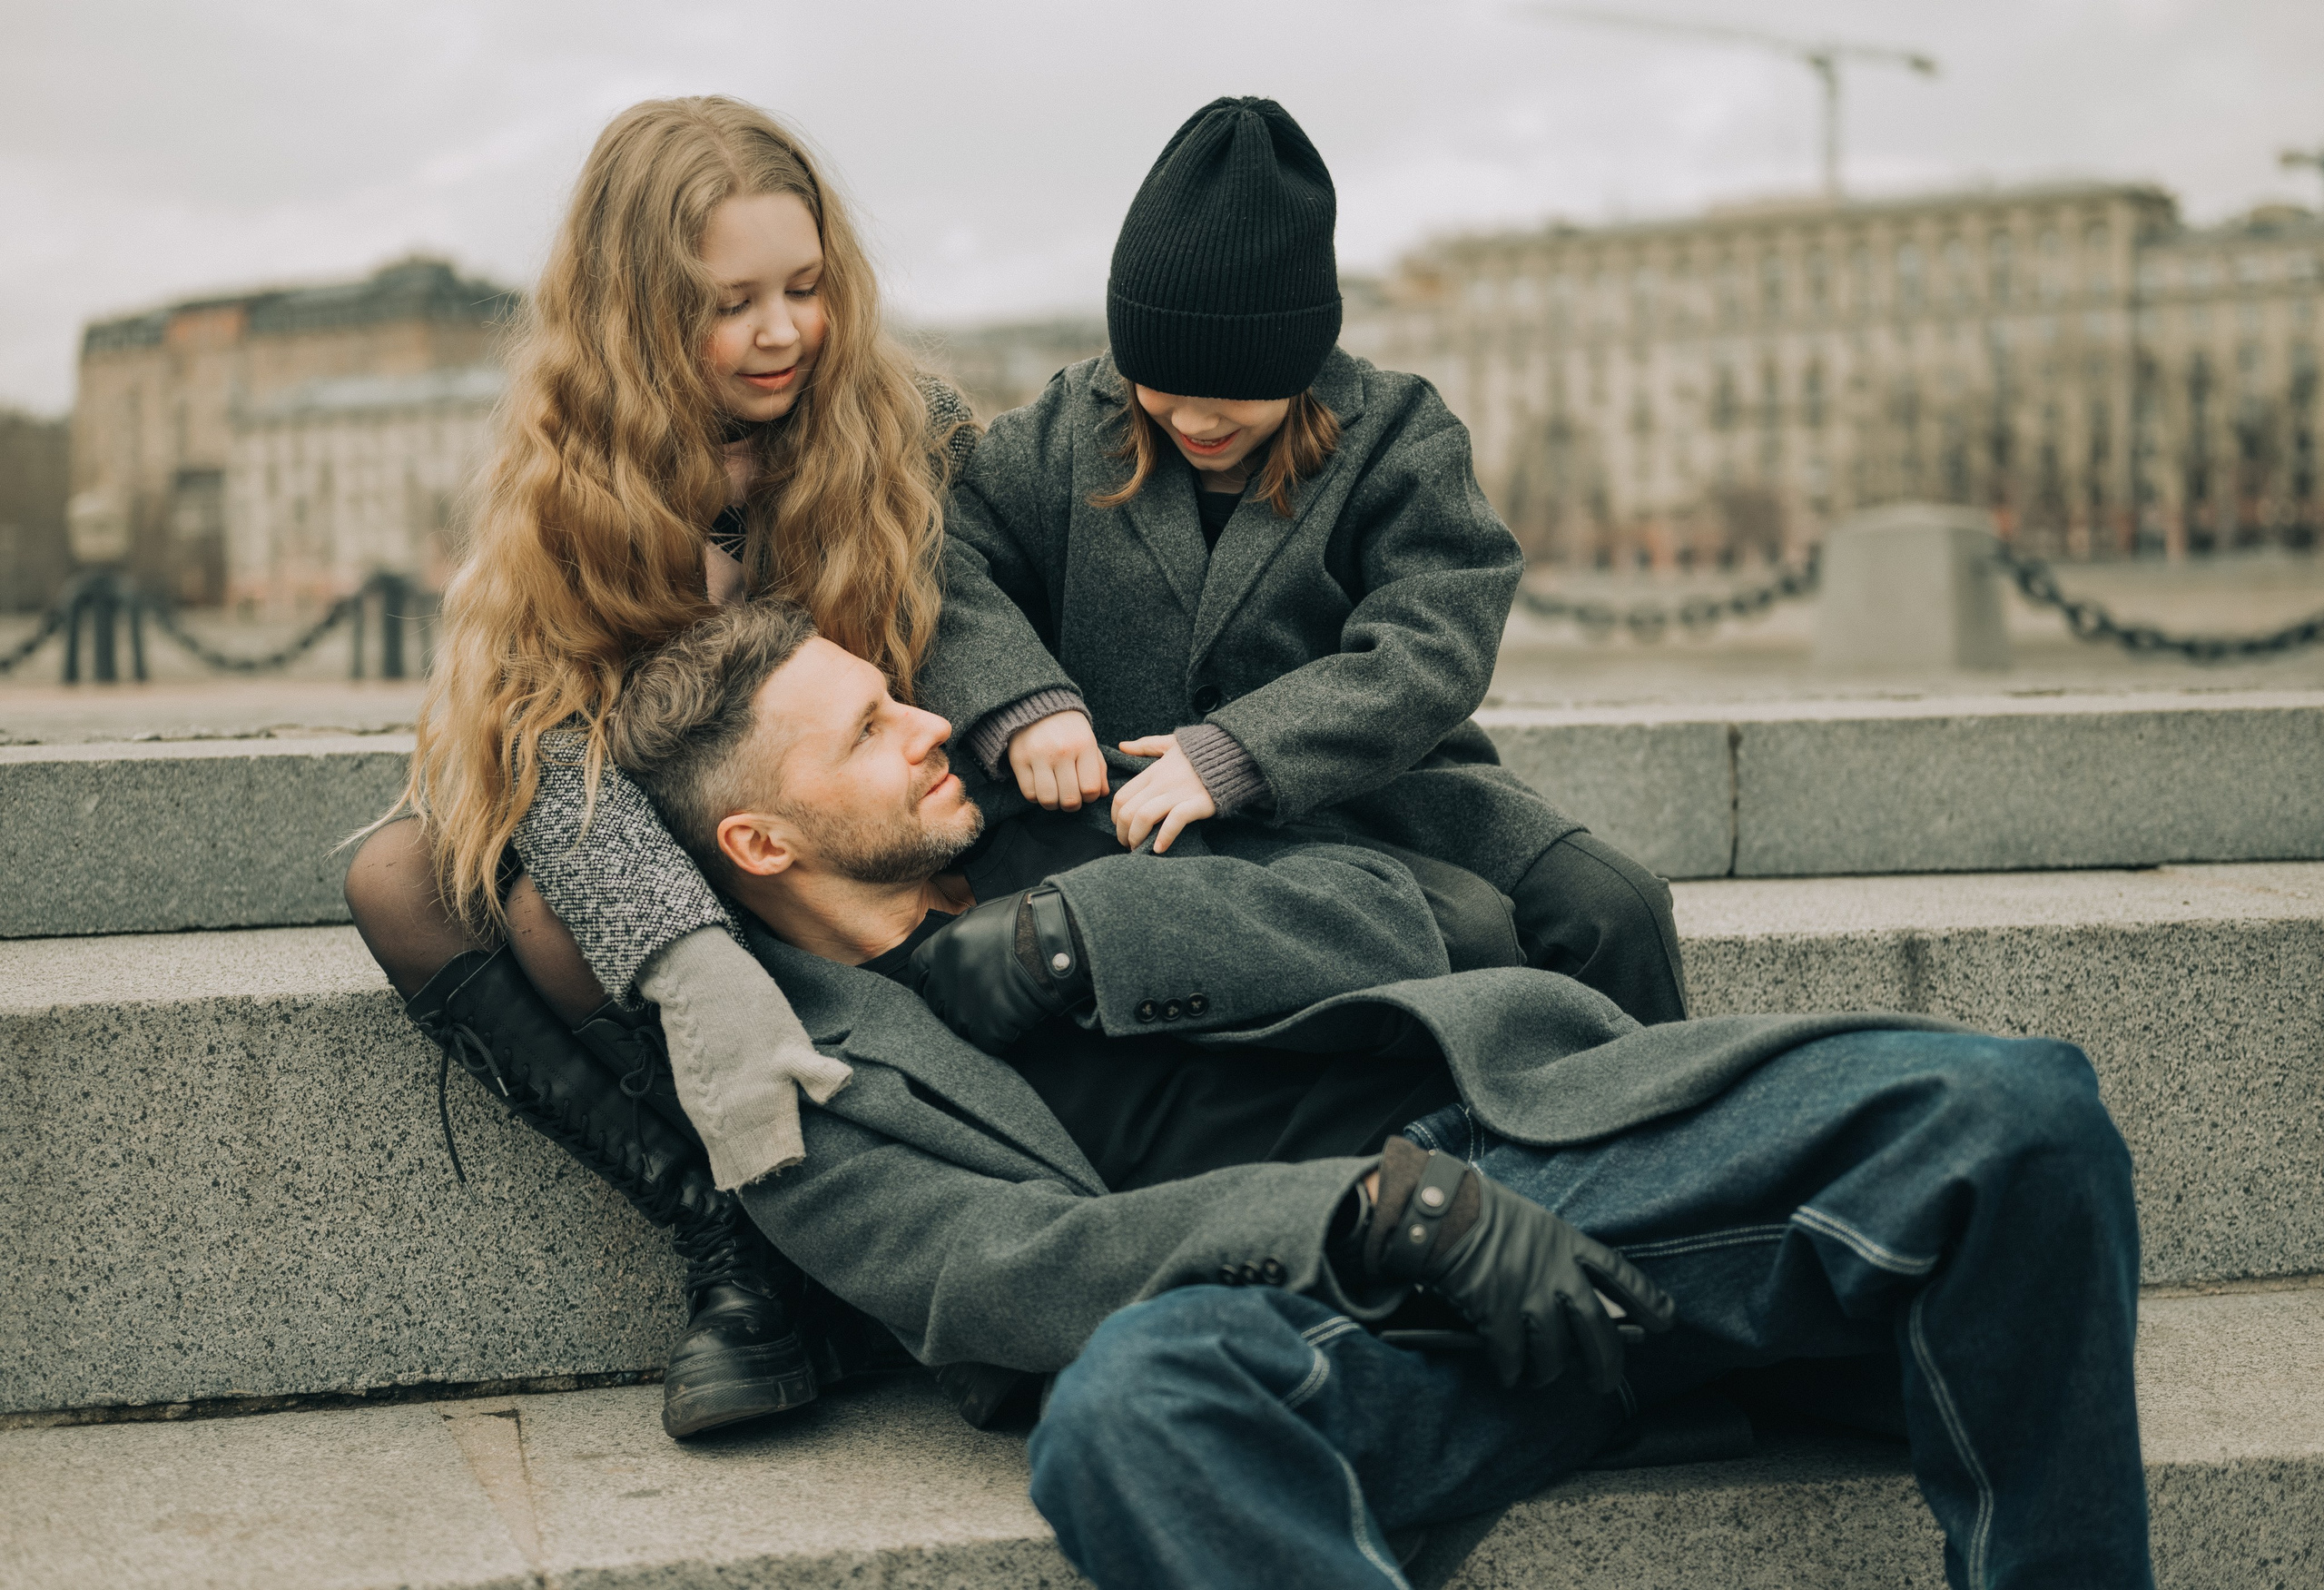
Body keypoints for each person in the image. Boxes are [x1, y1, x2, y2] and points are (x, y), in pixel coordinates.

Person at [600, 599, 2151, 1590]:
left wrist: (1075, 941)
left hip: (1554, 1149)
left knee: (2017, 1111)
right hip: (1328, 1317)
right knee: (1127, 1420)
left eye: (896, 692)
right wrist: (1368, 1212)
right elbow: (983, 1275)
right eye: (871, 729)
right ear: (762, 846)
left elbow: (1383, 908)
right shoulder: (784, 1072)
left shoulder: (1055, 825)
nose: (934, 721)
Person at [340, 95, 977, 1439]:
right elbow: (531, 741)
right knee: (407, 874)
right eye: (729, 300)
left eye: (805, 286)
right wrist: (688, 957)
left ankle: (825, 1238)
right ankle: (726, 1233)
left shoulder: (903, 427)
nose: (783, 331)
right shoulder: (576, 479)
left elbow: (991, 635)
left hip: (856, 842)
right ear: (633, 310)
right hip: (692, 863)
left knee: (547, 898)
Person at [917, 96, 1689, 1029]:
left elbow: (1433, 639)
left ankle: (1659, 1136)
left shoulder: (1400, 431)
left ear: (1303, 358)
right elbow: (941, 558)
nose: (1199, 422)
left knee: (1618, 908)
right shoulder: (1053, 435)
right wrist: (1019, 702)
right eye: (1166, 391)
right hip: (1127, 810)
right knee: (1466, 933)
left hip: (1382, 792)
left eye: (1238, 395)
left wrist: (1243, 751)